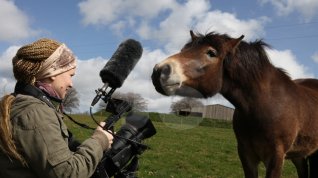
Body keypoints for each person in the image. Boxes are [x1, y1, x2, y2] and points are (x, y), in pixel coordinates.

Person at [0, 38, 114, 178]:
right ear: (53, 73)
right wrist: (100, 140)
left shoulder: (20, 104)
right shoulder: (35, 113)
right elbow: (67, 173)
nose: (71, 84)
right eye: (70, 75)